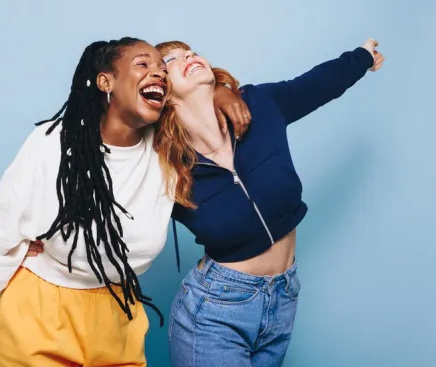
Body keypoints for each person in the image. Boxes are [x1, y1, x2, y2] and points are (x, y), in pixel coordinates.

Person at [0, 37, 251, 367]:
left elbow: (200, 92)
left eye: (163, 73)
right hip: (39, 313)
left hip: (119, 317)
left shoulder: (167, 149)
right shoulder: (55, 146)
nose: (159, 74)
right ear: (106, 82)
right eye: (142, 64)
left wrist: (221, 88)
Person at [154, 38, 384, 366]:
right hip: (214, 312)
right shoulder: (164, 165)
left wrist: (362, 57)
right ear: (160, 92)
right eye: (172, 59)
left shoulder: (259, 104)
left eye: (190, 51)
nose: (188, 55)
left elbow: (316, 85)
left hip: (283, 297)